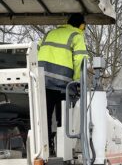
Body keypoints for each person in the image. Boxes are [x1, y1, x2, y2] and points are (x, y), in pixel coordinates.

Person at [38, 13, 88, 153]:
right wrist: (78, 81)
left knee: (44, 116)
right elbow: (80, 60)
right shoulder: (76, 36)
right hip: (62, 85)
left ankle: (45, 148)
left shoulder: (50, 33)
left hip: (43, 81)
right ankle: (62, 149)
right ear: (81, 25)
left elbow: (36, 51)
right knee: (63, 118)